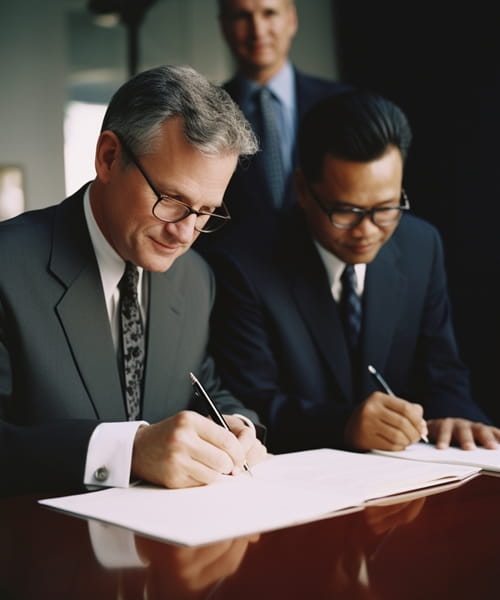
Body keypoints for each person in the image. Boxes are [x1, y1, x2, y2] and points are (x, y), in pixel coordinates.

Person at [0, 64, 267, 497]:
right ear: (108, 158)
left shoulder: (195, 278)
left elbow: (202, 386)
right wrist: (130, 451)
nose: (185, 233)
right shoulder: (7, 267)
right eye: (171, 199)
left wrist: (233, 426)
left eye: (206, 211)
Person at [206, 89, 500, 455]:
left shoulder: (421, 246)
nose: (368, 231)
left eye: (386, 208)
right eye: (346, 211)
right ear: (302, 189)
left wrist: (456, 415)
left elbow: (443, 372)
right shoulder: (241, 264)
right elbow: (248, 403)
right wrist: (342, 425)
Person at [207, 0, 348, 226]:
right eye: (242, 16)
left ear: (291, 20)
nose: (258, 30)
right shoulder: (206, 111)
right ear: (224, 26)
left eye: (269, 13)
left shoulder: (342, 103)